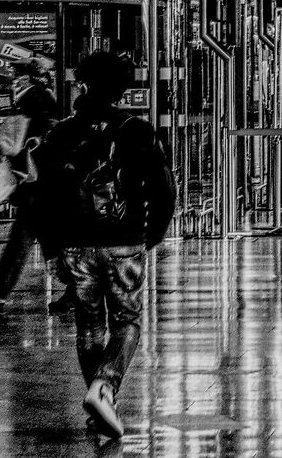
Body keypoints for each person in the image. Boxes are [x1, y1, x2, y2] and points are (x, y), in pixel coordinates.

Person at [30, 47, 176, 443]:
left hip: (75, 244)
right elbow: (164, 190)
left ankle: (99, 405)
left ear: (82, 83)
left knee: (89, 325)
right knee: (127, 321)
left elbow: (42, 198)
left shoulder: (60, 134)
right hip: (123, 241)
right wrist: (153, 234)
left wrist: (51, 250)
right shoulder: (137, 130)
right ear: (122, 89)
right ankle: (104, 388)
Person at [0, 65, 72, 314]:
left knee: (42, 243)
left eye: (17, 79)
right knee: (34, 242)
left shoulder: (35, 99)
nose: (14, 84)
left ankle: (78, 287)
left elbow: (36, 137)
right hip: (43, 187)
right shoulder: (43, 99)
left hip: (41, 188)